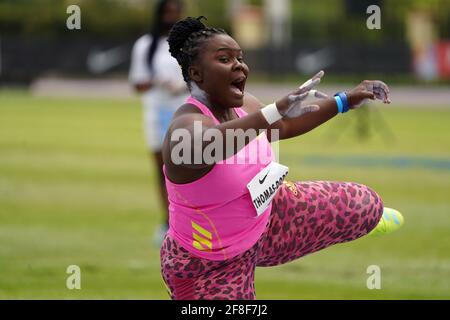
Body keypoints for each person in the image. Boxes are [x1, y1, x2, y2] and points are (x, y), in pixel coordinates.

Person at [160, 16, 404, 300]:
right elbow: (213, 145)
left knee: (364, 203)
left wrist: (344, 101)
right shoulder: (185, 127)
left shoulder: (247, 106)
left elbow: (284, 126)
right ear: (197, 74)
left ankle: (368, 219)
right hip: (209, 263)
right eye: (225, 59)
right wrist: (272, 111)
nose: (239, 65)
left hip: (271, 220)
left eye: (240, 58)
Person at [129, 0, 187, 245]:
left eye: (176, 10)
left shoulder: (190, 42)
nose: (171, 15)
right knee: (162, 171)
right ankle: (168, 221)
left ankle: (187, 222)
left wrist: (182, 86)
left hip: (185, 113)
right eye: (167, 10)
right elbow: (137, 83)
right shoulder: (146, 45)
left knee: (186, 169)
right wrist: (157, 82)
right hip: (157, 114)